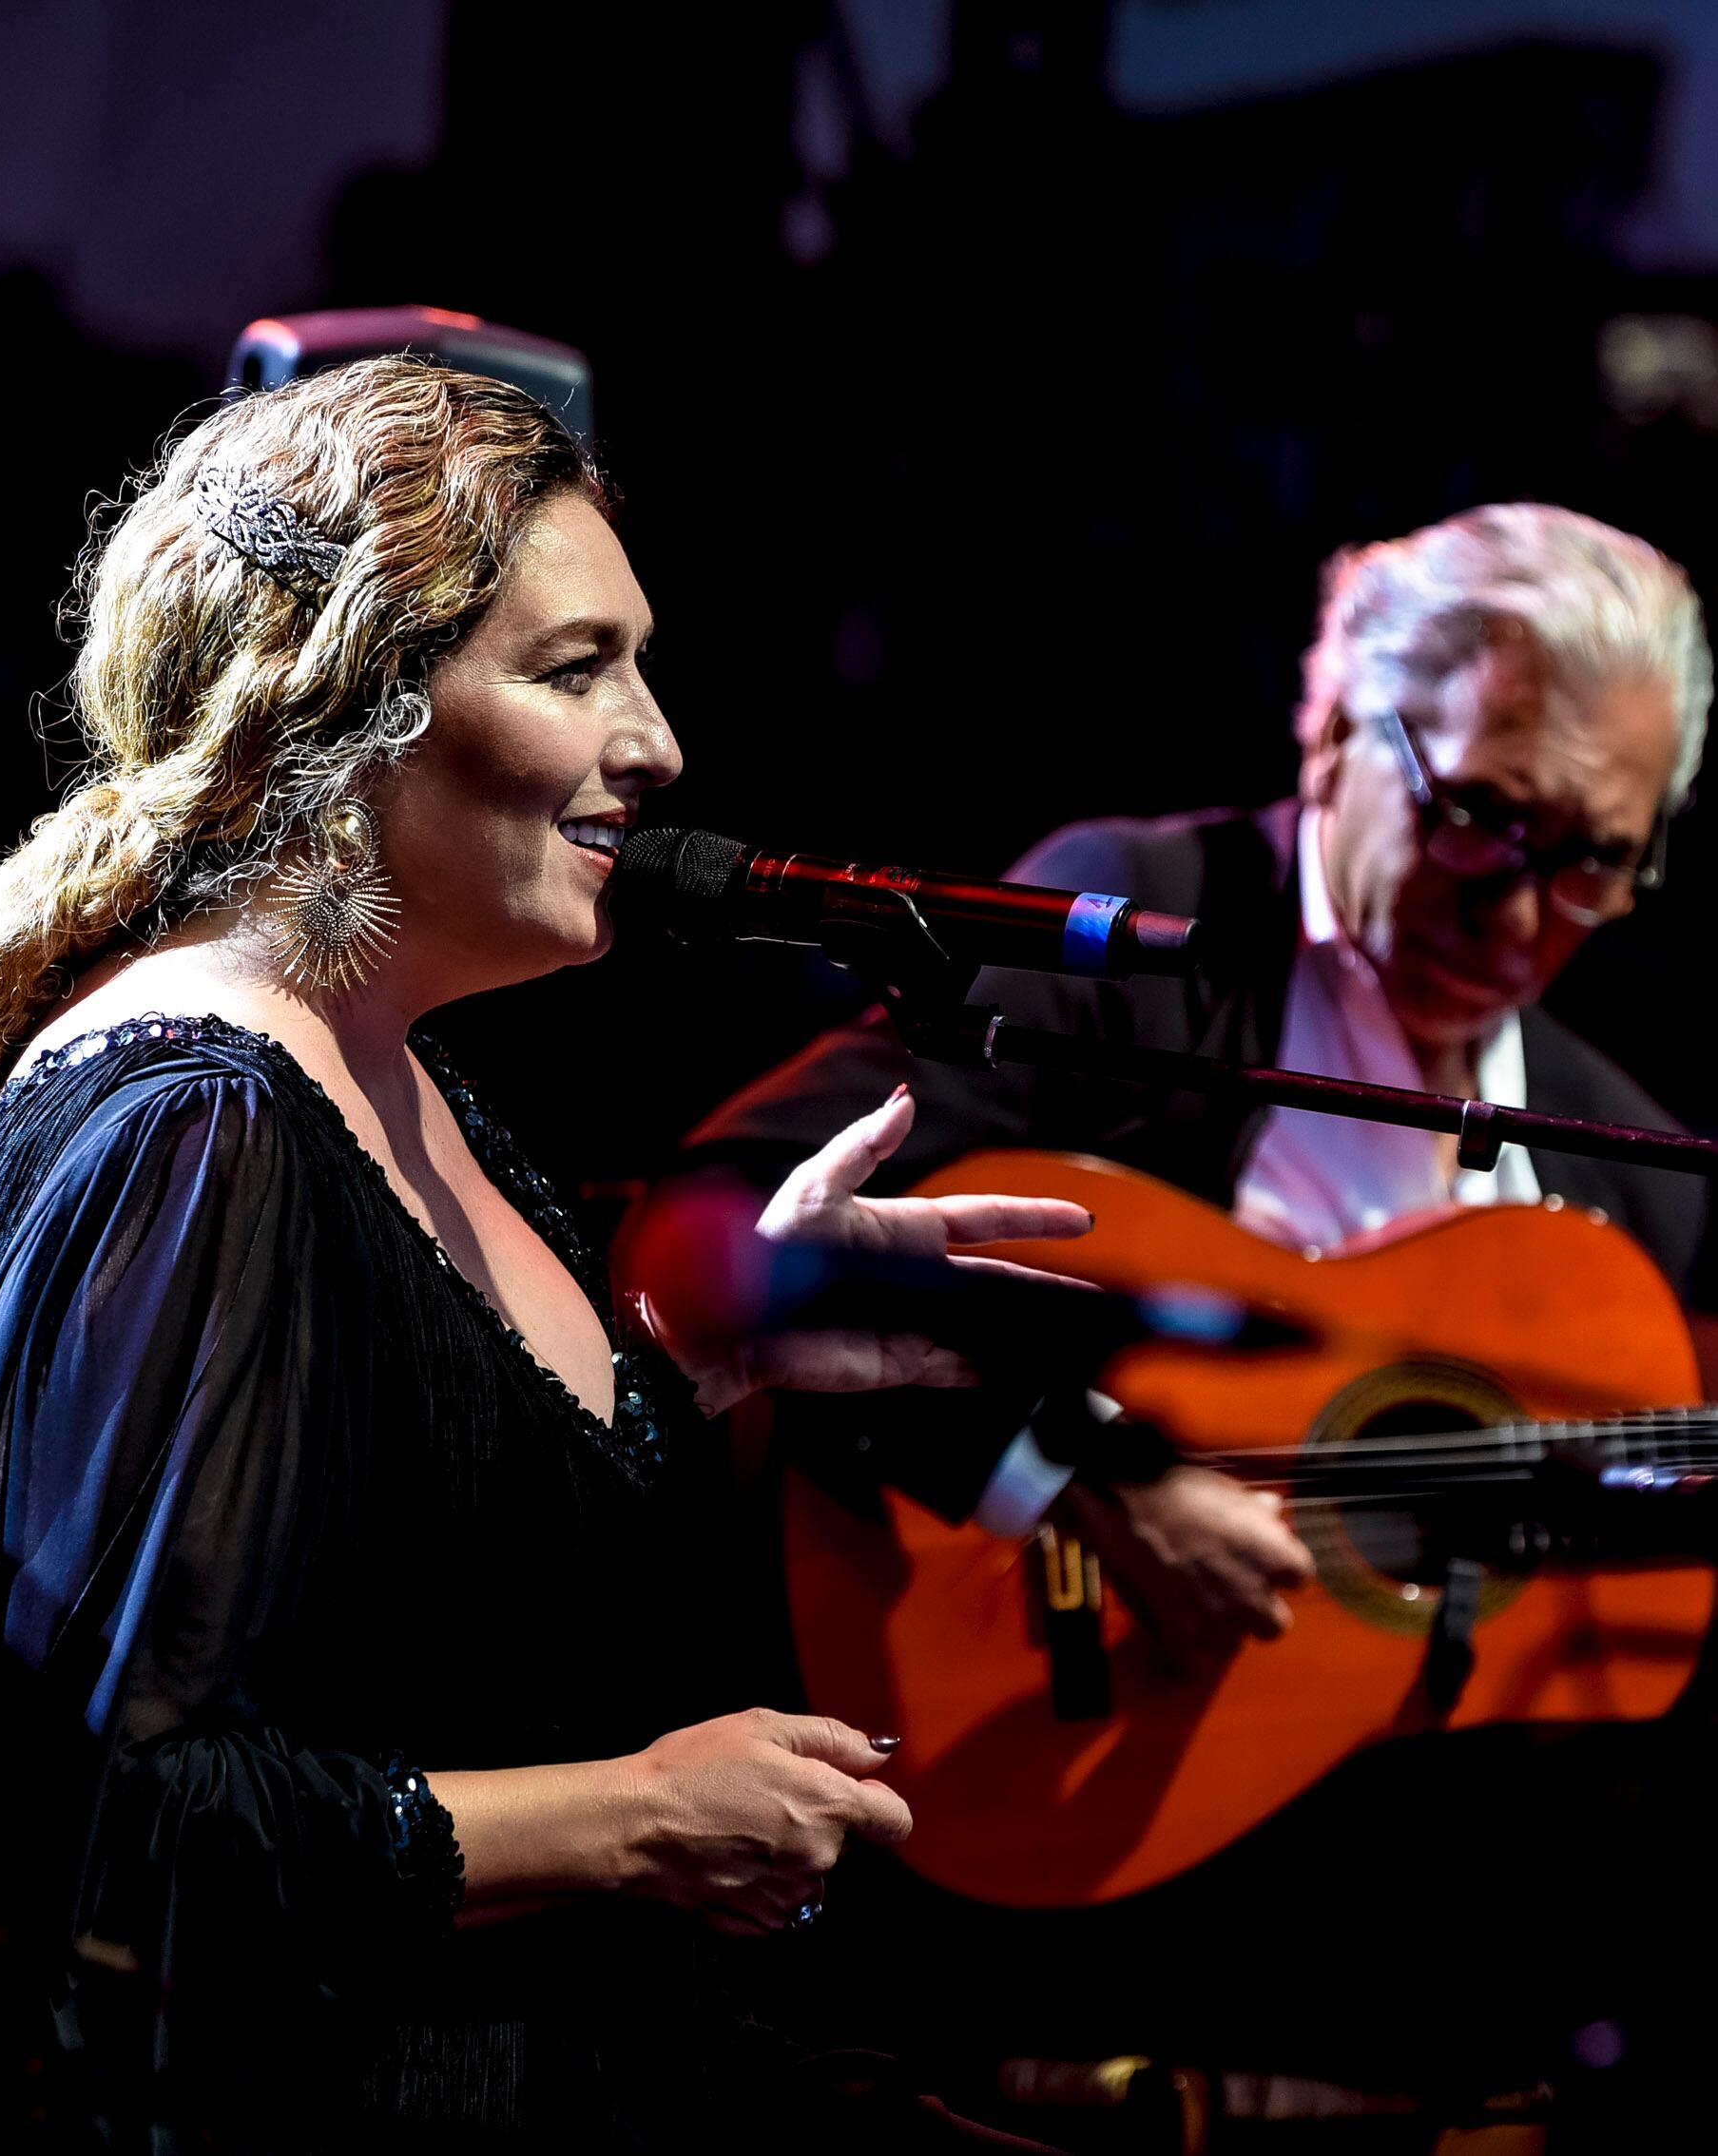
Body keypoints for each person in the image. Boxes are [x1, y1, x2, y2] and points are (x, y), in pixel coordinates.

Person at [0, 356, 1095, 2154]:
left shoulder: (387, 1071)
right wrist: (638, 1820)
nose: (654, 743)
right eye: (576, 669)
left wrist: (711, 1351)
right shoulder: (206, 1125)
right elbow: (123, 1832)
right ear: (337, 705)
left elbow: (421, 1577)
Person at [671, 505, 1718, 2129]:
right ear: (1329, 735)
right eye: (1479, 819)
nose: (1517, 912)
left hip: (1388, 2007)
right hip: (1016, 1916)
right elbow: (746, 1228)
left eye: (1589, 859)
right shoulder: (1134, 934)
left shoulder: (1635, 1172)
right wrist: (1076, 1475)